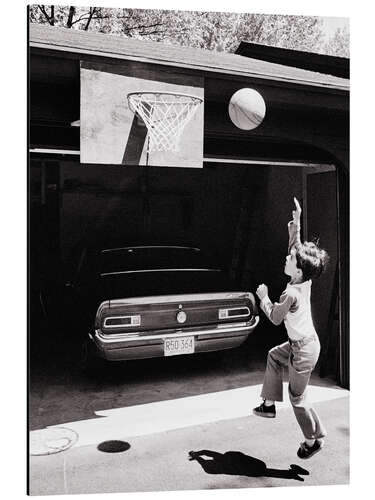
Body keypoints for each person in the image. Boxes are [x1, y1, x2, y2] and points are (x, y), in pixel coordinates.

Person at [253, 197, 329, 459]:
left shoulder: (291, 295)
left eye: (291, 259)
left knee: (297, 398)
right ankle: (269, 405)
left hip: (305, 349)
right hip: (303, 344)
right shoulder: (304, 279)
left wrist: (263, 296)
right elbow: (295, 247)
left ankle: (311, 441)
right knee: (275, 355)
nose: (287, 256)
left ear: (297, 271)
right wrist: (296, 222)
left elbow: (274, 317)